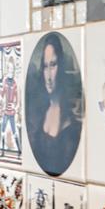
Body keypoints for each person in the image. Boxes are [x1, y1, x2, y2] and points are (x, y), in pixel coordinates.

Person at [25, 34, 82, 175]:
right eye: (45, 67)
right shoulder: (40, 112)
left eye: (53, 65)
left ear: (60, 67)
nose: (49, 76)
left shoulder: (71, 120)